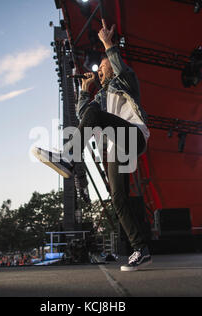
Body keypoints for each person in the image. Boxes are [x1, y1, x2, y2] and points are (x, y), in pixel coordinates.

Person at [32, 19, 151, 271]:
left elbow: (120, 68)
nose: (100, 71)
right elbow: (84, 115)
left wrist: (108, 44)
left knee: (96, 116)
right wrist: (85, 90)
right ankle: (140, 249)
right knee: (118, 198)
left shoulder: (125, 81)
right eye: (99, 70)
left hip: (134, 136)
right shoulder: (100, 96)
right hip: (117, 148)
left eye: (103, 68)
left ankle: (68, 156)